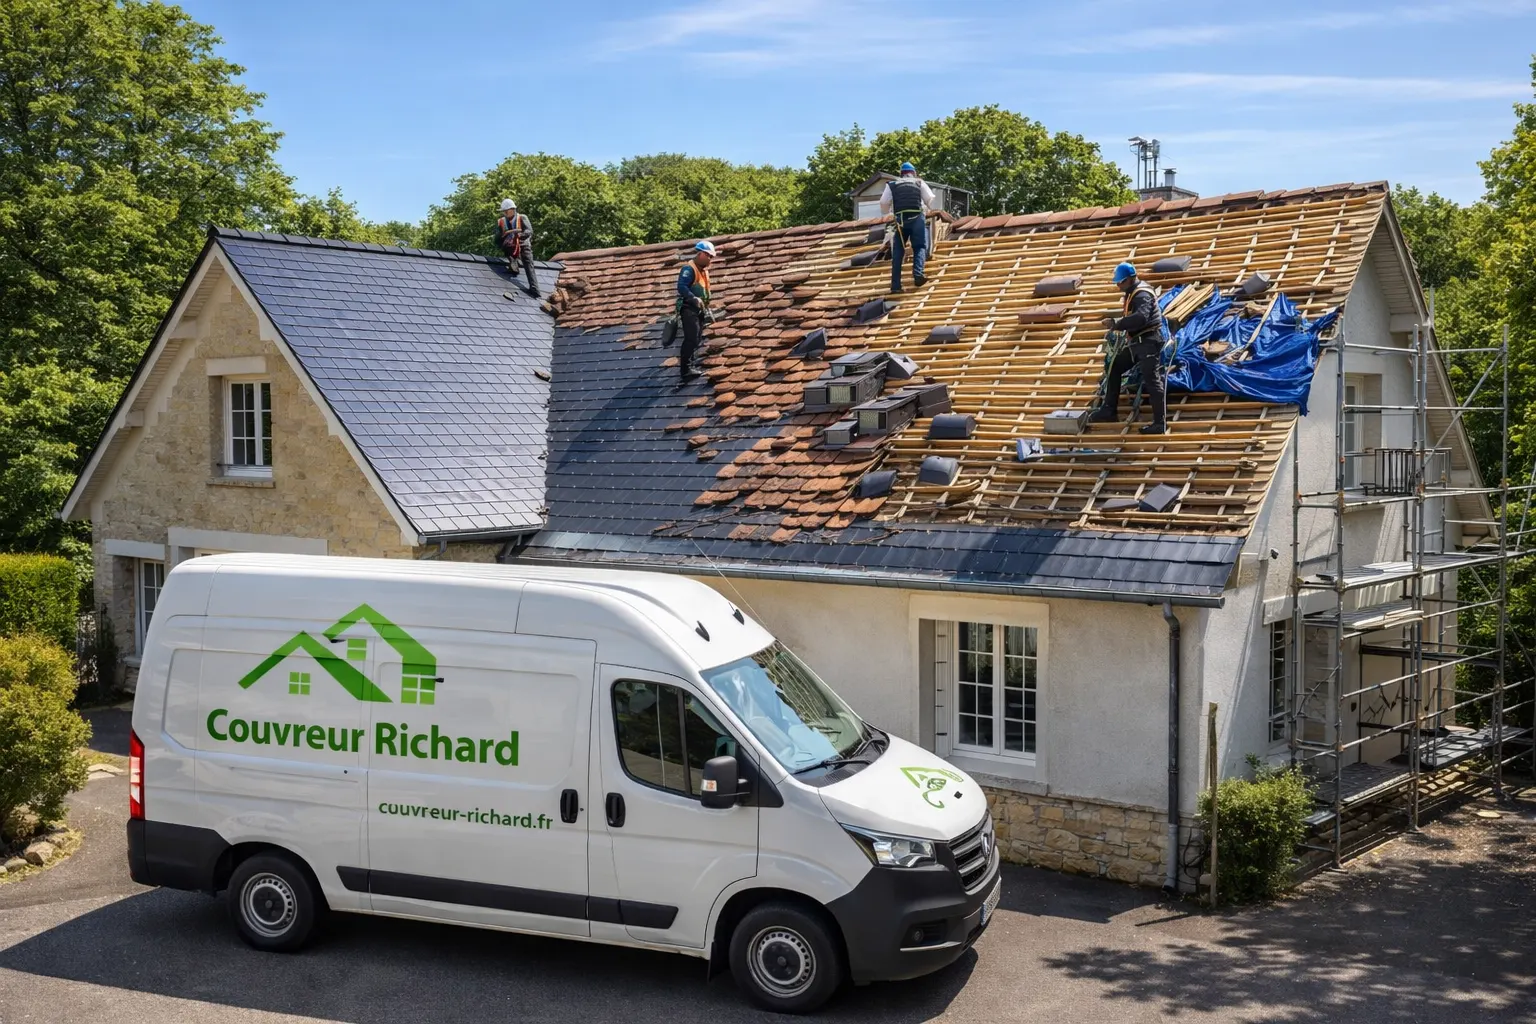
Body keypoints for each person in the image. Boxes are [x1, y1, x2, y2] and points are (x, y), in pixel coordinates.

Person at [1092, 261, 1168, 434]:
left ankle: (1159, 424)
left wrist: (1116, 324)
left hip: (1148, 342)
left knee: (1153, 381)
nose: (1118, 286)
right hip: (1137, 342)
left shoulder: (1142, 295)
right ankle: (1109, 410)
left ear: (1129, 279)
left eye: (1120, 282)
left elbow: (1140, 318)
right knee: (1115, 366)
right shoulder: (1132, 291)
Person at [878, 162, 937, 293]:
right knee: (919, 246)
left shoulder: (892, 185)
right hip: (916, 219)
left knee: (898, 252)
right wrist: (927, 208)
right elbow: (930, 198)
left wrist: (887, 211)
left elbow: (883, 202)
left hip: (900, 221)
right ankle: (918, 275)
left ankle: (895, 286)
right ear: (914, 173)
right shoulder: (919, 182)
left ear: (901, 174)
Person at [675, 240, 716, 384]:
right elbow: (681, 287)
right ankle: (685, 370)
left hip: (699, 309)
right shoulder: (689, 269)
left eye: (712, 257)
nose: (710, 259)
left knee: (697, 337)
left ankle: (692, 365)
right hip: (688, 308)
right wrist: (693, 298)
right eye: (708, 256)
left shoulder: (703, 271)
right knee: (691, 337)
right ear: (700, 254)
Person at [494, 198, 539, 296]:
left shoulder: (522, 218)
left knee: (528, 265)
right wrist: (502, 237)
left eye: (506, 211)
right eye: (504, 212)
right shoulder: (502, 221)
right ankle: (514, 266)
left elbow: (529, 231)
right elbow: (497, 238)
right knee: (507, 248)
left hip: (523, 245)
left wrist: (519, 235)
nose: (505, 213)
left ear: (513, 209)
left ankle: (534, 289)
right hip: (510, 246)